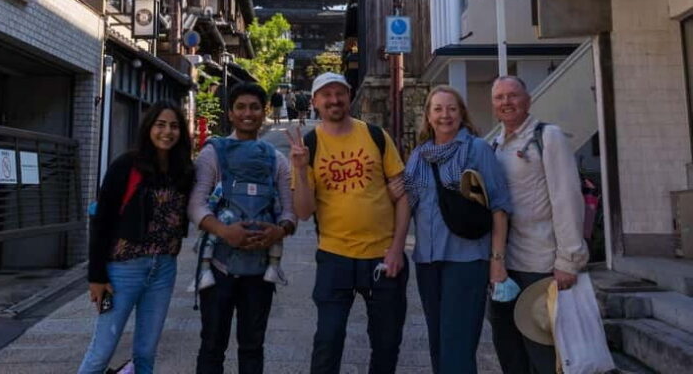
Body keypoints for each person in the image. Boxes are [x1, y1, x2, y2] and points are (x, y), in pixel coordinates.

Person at [289, 72, 409, 374]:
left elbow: (403, 196)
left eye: (339, 93)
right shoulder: (309, 145)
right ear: (315, 102)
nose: (334, 100)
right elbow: (303, 212)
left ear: (349, 95)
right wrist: (301, 171)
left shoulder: (375, 136)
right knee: (328, 340)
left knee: (386, 342)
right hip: (334, 256)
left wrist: (397, 249)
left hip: (382, 256)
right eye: (326, 94)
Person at [78, 100, 194, 374]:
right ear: (149, 128)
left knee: (146, 352)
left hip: (164, 269)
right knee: (101, 351)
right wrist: (96, 277)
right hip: (122, 270)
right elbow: (102, 221)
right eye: (161, 125)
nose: (167, 132)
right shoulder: (126, 165)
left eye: (174, 126)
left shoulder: (184, 170)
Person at [189, 82, 296, 374]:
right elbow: (196, 205)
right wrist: (225, 232)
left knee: (252, 346)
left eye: (254, 107)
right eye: (241, 107)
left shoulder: (277, 159)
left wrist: (279, 231)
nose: (248, 114)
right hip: (218, 267)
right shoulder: (212, 153)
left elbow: (289, 210)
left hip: (259, 269)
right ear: (231, 113)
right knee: (212, 345)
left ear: (264, 113)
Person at [404, 85, 512, 374]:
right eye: (437, 109)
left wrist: (497, 262)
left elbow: (499, 207)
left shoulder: (476, 149)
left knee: (458, 345)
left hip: (467, 260)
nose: (445, 115)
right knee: (439, 343)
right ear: (428, 116)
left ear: (461, 113)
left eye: (451, 108)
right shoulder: (419, 157)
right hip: (428, 261)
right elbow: (407, 203)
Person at [488, 76, 589, 374]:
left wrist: (569, 259)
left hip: (542, 263)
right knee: (509, 351)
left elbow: (567, 197)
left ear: (528, 100)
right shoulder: (494, 144)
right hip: (506, 266)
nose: (506, 102)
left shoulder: (548, 137)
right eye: (499, 97)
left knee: (544, 355)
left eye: (512, 95)